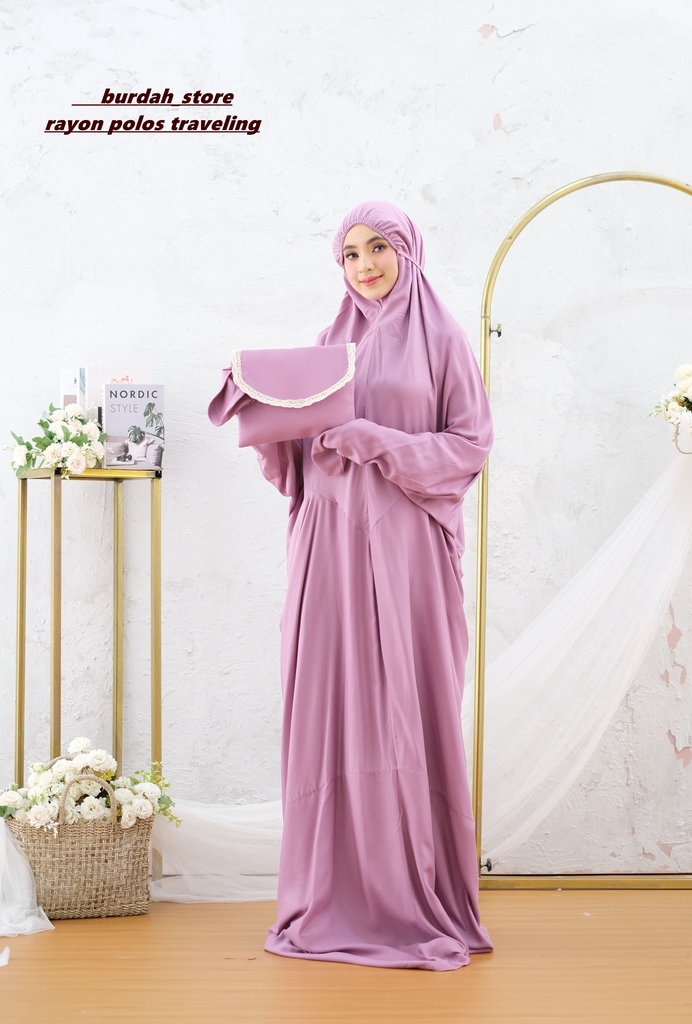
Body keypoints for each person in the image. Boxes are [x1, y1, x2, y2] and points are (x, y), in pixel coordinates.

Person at [208, 201, 494, 970]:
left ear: (408, 251)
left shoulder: (443, 340)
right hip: (329, 548)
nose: (364, 265)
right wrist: (258, 406)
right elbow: (294, 460)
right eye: (350, 254)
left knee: (405, 704)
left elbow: (470, 446)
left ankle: (413, 894)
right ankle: (332, 893)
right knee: (330, 701)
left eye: (378, 248)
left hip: (407, 552)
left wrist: (377, 440)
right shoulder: (327, 347)